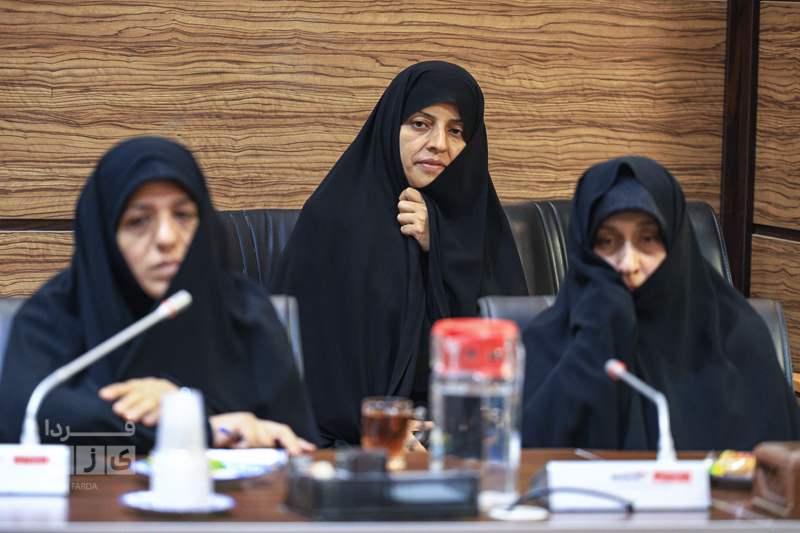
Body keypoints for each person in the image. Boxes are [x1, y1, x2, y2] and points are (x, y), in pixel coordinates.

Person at [0, 137, 318, 454]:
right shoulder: (56, 312)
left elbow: (293, 443)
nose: (166, 238)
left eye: (183, 215)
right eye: (138, 221)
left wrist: (179, 403)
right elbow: (28, 419)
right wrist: (195, 423)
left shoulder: (244, 310)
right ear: (105, 235)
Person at [270, 61, 529, 447]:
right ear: (391, 127)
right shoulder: (334, 219)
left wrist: (440, 244)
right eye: (421, 124)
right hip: (358, 437)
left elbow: (506, 348)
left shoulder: (480, 224)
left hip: (468, 435)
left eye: (456, 131)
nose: (439, 143)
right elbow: (310, 365)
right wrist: (385, 423)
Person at [520, 156, 800, 451]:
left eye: (648, 239)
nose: (628, 264)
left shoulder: (738, 340)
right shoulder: (544, 343)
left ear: (676, 243)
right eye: (606, 241)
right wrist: (594, 339)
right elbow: (521, 462)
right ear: (584, 249)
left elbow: (778, 468)